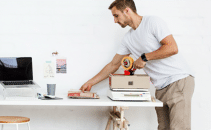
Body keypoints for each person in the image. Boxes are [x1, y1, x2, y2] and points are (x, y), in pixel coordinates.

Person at [79, 0, 195, 129]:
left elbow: (172, 48)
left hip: (178, 80)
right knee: (163, 128)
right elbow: (114, 64)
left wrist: (144, 57)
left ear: (127, 10)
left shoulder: (152, 22)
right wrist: (90, 83)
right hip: (160, 88)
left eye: (116, 15)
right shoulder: (128, 38)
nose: (115, 21)